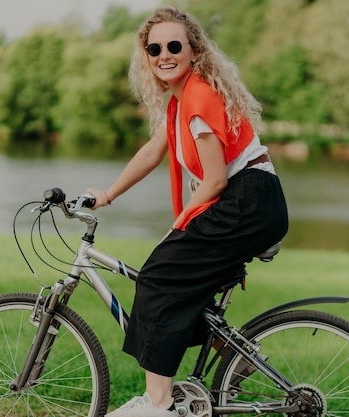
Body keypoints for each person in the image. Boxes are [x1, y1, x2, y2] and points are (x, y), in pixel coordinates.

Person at [86, 7, 288, 417]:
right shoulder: (179, 105)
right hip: (249, 199)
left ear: (193, 51)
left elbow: (213, 181)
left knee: (159, 274)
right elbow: (151, 152)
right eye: (154, 47)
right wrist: (107, 195)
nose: (164, 54)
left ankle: (158, 404)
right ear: (146, 55)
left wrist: (177, 225)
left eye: (174, 45)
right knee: (176, 281)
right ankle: (233, 353)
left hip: (248, 200)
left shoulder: (196, 99)